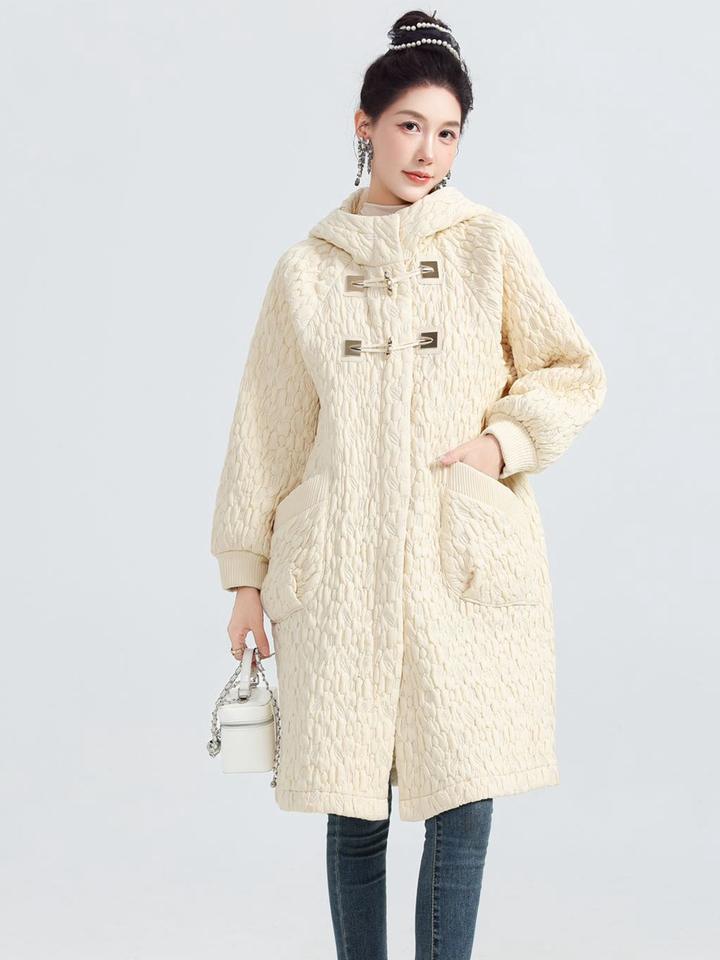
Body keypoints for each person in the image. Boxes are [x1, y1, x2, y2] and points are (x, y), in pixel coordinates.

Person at [209, 10, 607, 959]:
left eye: (448, 132)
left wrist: (502, 446)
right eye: (409, 126)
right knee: (353, 807)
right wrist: (245, 578)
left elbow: (571, 369)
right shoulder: (306, 272)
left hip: (458, 563)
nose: (428, 152)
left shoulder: (487, 246)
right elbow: (267, 425)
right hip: (338, 567)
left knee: (462, 802)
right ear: (365, 126)